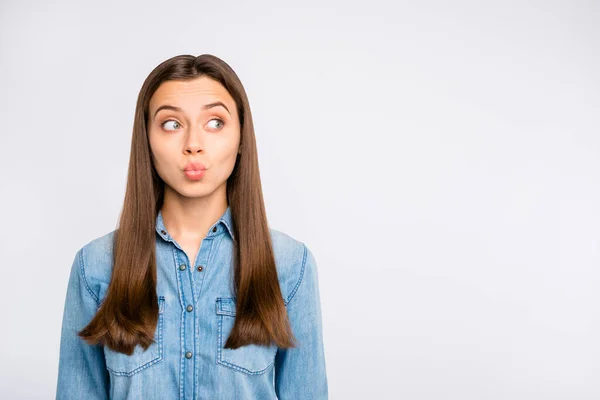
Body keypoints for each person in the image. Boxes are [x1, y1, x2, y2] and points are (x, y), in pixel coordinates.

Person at [55, 54, 328, 400]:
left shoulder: (291, 264)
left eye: (215, 122)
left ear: (242, 137)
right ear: (147, 140)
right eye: (172, 124)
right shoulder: (94, 265)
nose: (193, 144)